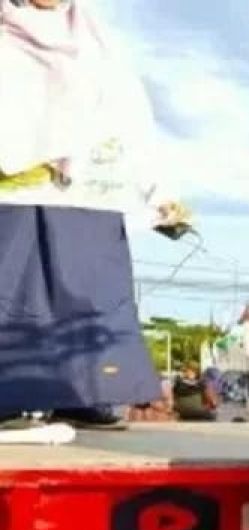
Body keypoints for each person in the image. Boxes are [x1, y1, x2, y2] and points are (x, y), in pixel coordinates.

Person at [0, 0, 189, 432]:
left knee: (90, 290)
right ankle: (5, 395)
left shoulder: (99, 46)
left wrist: (159, 189)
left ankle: (85, 394)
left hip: (87, 195)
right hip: (14, 192)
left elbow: (130, 122)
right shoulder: (5, 35)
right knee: (10, 287)